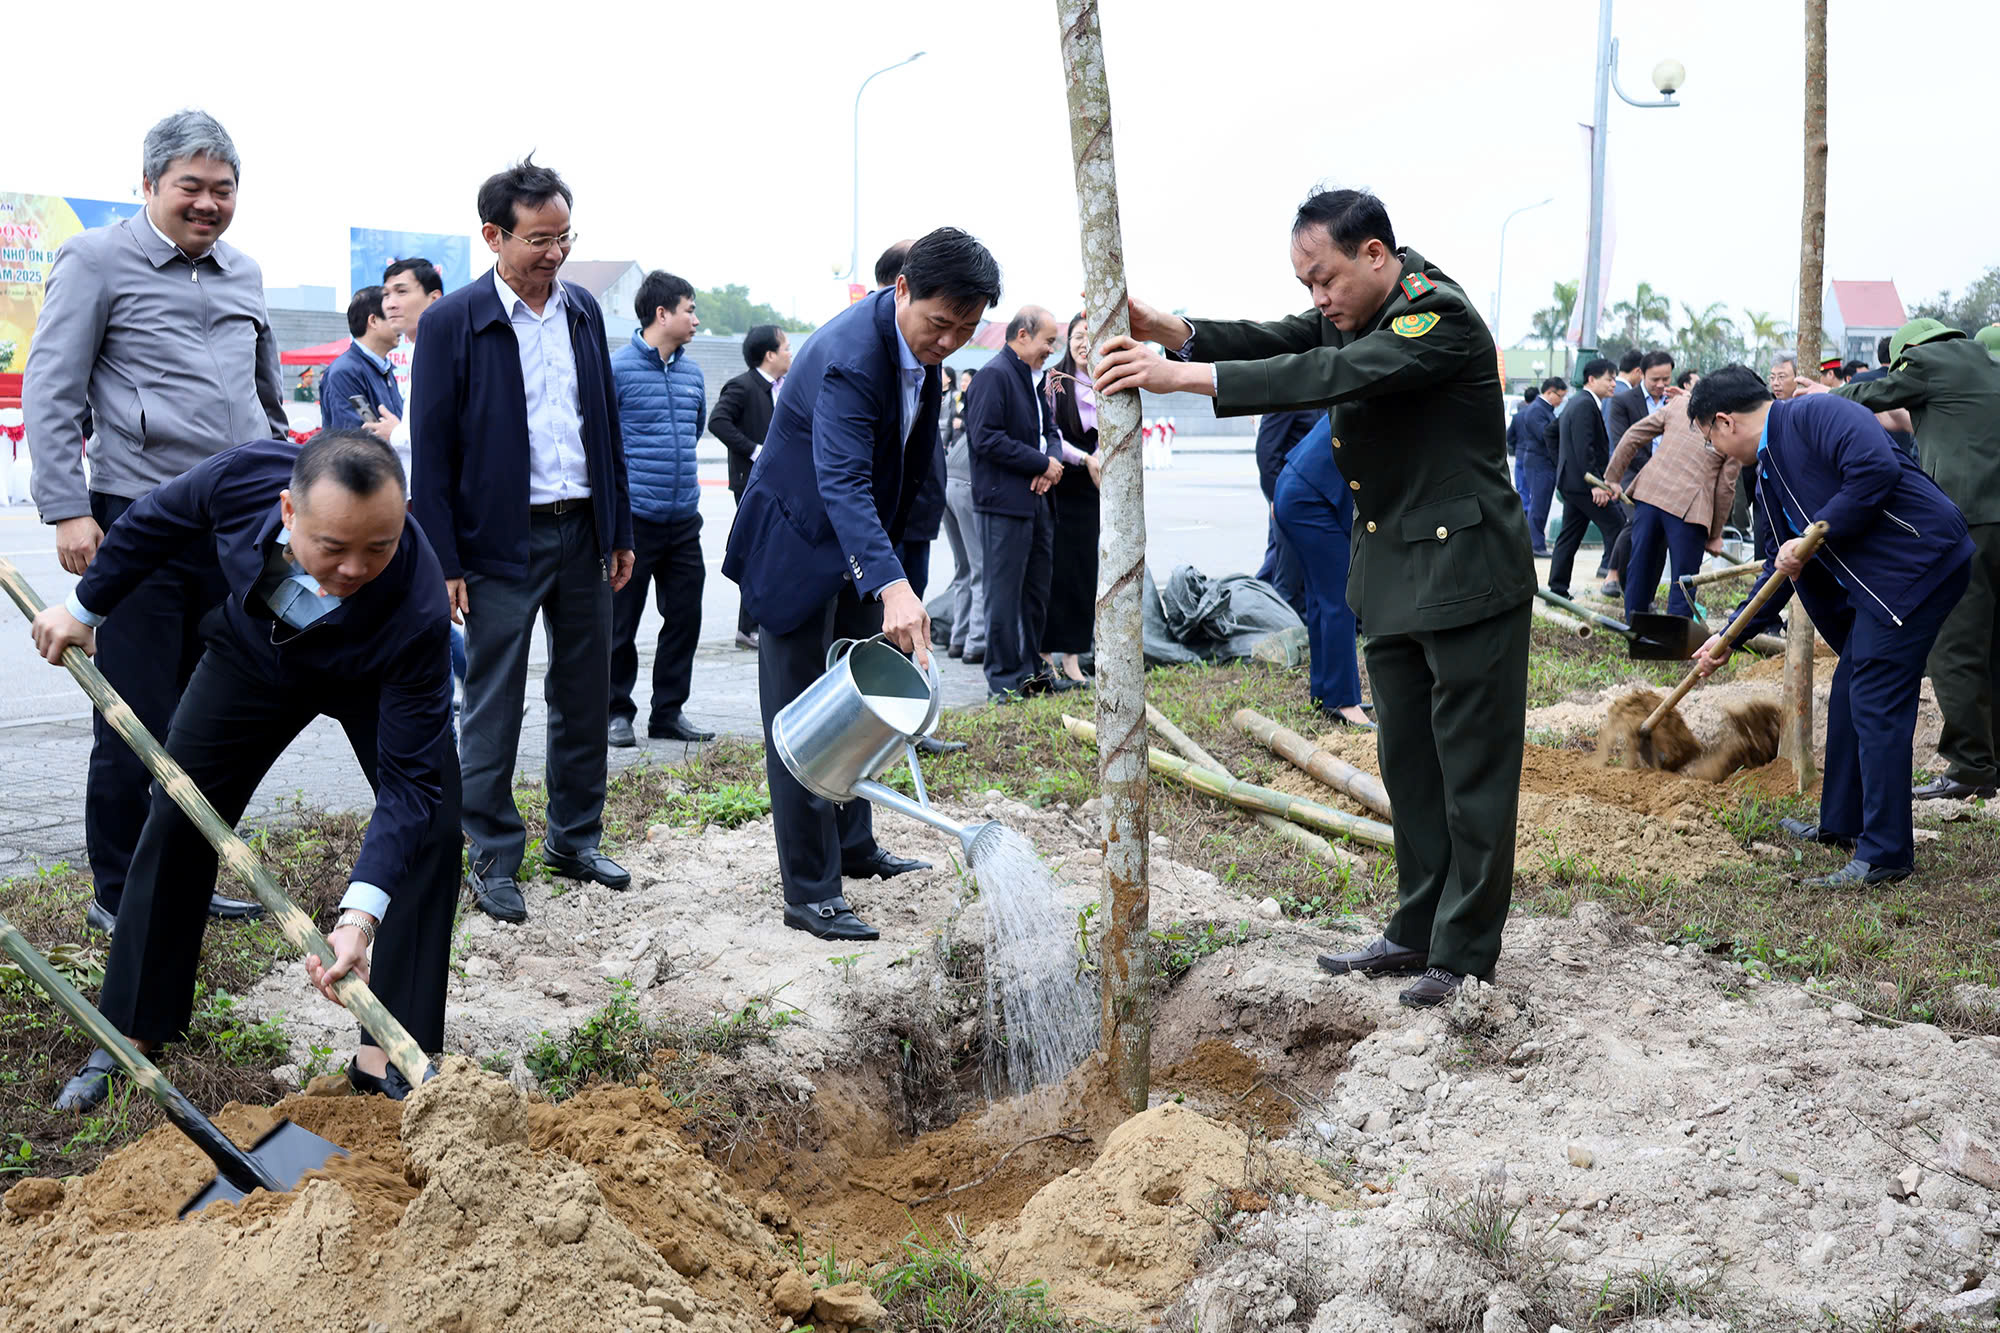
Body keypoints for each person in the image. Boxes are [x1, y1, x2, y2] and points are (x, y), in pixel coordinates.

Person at [1093, 186, 1536, 1008]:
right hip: (1397, 576)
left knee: (1470, 770)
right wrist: (1174, 330)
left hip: (1467, 574)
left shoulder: (1433, 316)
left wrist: (1176, 376)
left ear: (1375, 254)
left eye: (1324, 278)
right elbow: (1286, 339)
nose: (1317, 298)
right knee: (1410, 766)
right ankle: (1415, 928)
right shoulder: (1357, 314)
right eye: (1306, 283)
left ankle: (1465, 951)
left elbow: (1326, 370)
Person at [35, 432, 462, 1110]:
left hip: (375, 675)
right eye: (333, 546)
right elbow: (151, 524)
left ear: (402, 515)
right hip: (256, 659)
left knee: (433, 829)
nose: (352, 568)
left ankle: (388, 1047)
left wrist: (358, 916)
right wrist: (84, 608)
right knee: (178, 808)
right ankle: (132, 1030)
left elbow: (409, 787)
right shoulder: (240, 478)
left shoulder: (418, 610)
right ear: (287, 511)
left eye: (377, 547)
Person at [24, 109, 284, 936]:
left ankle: (188, 877)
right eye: (191, 188)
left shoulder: (243, 271)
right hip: (137, 519)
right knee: (135, 713)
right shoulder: (97, 259)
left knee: (212, 715)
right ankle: (117, 890)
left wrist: (287, 488)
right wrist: (67, 507)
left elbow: (267, 396)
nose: (208, 204)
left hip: (236, 527)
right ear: (148, 186)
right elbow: (52, 387)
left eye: (224, 190)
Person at [722, 227, 999, 942]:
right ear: (901, 288)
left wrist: (892, 573)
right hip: (797, 548)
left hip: (853, 550)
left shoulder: (922, 354)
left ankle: (855, 845)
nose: (949, 342)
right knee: (801, 723)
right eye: (940, 324)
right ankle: (810, 891)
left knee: (861, 701)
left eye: (966, 330)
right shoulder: (851, 357)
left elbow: (901, 469)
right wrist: (893, 583)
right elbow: (841, 479)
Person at [409, 157, 635, 925]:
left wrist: (618, 526)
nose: (555, 252)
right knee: (493, 704)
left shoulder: (582, 313)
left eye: (564, 236)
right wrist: (444, 560)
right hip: (499, 544)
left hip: (584, 533)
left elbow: (603, 425)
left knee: (583, 694)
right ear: (493, 236)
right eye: (539, 238)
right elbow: (430, 451)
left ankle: (574, 839)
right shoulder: (454, 322)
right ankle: (494, 856)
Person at [1689, 367, 1972, 886]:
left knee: (1875, 695)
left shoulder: (1819, 414)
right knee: (1849, 688)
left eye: (1711, 439)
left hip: (1920, 560)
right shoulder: (1767, 473)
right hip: (1881, 583)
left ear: (1724, 421)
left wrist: (1822, 531)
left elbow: (1875, 470)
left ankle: (1884, 853)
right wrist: (1731, 635)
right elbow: (1781, 567)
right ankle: (1841, 823)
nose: (1719, 451)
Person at [1837, 317, 2000, 801]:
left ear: (1911, 352)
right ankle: (1991, 758)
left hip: (1968, 519)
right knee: (1993, 645)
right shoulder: (1983, 366)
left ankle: (1971, 765)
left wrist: (1820, 401)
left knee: (1954, 644)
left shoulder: (1929, 359)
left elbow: (1869, 398)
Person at [606, 270, 714, 749]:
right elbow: (605, 443)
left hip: (683, 519)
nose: (694, 318)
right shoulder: (619, 369)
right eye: (689, 309)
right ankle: (614, 713)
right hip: (635, 522)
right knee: (620, 623)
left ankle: (668, 713)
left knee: (685, 617)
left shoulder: (692, 373)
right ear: (662, 313)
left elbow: (694, 429)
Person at [969, 306, 1070, 701]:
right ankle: (1003, 680)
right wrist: (1041, 462)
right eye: (1048, 341)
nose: (1051, 349)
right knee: (1003, 595)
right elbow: (985, 438)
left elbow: (1051, 431)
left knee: (1035, 593)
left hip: (1038, 501)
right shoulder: (994, 376)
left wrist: (1052, 464)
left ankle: (1033, 673)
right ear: (1022, 335)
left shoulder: (1034, 379)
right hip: (1004, 505)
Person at [1602, 371, 1739, 620]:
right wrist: (1716, 534)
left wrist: (1612, 477)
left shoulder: (1681, 404)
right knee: (1684, 578)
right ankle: (1675, 640)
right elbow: (1725, 487)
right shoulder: (1733, 426)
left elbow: (1633, 435)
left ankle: (1636, 630)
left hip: (1651, 494)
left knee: (1640, 566)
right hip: (1690, 508)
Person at [1273, 414, 1370, 727]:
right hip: (1308, 500)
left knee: (1320, 598)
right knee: (1339, 599)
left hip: (1296, 491)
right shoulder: (1383, 398)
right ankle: (1343, 701)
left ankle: (1324, 692)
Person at [711, 323, 790, 651]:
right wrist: (754, 450)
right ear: (769, 354)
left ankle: (759, 622)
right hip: (751, 483)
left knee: (772, 553)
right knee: (757, 552)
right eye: (785, 347)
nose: (790, 353)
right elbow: (717, 421)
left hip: (778, 482)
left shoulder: (782, 386)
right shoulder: (742, 386)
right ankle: (748, 628)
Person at [1043, 312, 1105, 680]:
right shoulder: (1055, 381)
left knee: (1085, 572)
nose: (1084, 344)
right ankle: (1046, 655)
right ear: (1067, 341)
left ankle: (1073, 658)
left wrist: (1100, 458)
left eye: (1090, 337)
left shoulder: (1104, 379)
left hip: (1092, 489)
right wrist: (1084, 458)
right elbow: (1049, 434)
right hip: (1062, 482)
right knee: (1056, 572)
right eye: (1078, 336)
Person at [1545, 357, 1625, 600]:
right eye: (1609, 379)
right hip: (1585, 486)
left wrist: (1563, 465)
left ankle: (1557, 591)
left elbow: (1551, 433)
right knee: (1619, 526)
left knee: (1569, 535)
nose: (1613, 384)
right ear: (1592, 379)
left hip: (1575, 483)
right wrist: (1595, 484)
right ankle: (1614, 580)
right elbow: (1584, 447)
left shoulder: (1579, 402)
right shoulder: (1584, 405)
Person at [1598, 351, 1673, 596]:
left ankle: (1646, 593)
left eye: (1666, 379)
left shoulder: (1677, 402)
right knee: (1637, 519)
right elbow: (1621, 442)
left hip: (1669, 479)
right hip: (1634, 474)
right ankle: (1614, 574)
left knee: (1660, 534)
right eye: (1655, 380)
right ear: (1641, 374)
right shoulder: (1623, 401)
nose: (1661, 385)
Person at [320, 286, 405, 435]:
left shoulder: (384, 370)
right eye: (392, 317)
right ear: (373, 321)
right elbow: (354, 438)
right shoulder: (345, 373)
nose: (400, 327)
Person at [1255, 409, 1318, 606]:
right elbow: (1267, 452)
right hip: (1291, 500)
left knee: (1277, 568)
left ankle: (1262, 610)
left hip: (1312, 500)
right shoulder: (1287, 396)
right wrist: (1277, 498)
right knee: (1288, 580)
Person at [1513, 378, 1566, 557]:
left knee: (1541, 504)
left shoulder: (1544, 409)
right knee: (1538, 504)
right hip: (1539, 462)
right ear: (1550, 392)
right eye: (1560, 396)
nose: (1561, 401)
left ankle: (1536, 542)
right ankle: (1536, 544)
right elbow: (1546, 436)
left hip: (1544, 463)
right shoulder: (1537, 410)